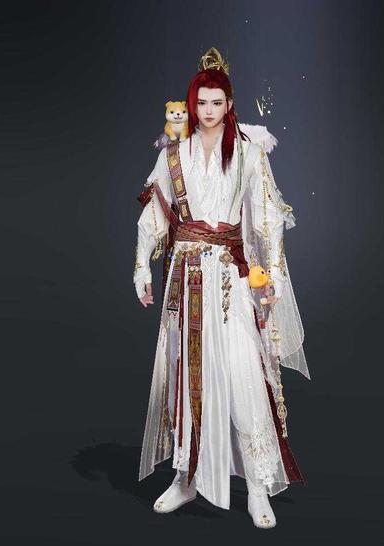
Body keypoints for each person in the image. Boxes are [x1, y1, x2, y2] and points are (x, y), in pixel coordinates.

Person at [132, 47, 310, 529]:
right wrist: (142, 268)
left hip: (230, 277)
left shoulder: (249, 153)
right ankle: (185, 476)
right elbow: (154, 215)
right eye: (201, 103)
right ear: (191, 105)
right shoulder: (174, 155)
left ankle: (257, 486)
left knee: (242, 373)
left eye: (216, 102)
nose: (208, 110)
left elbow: (267, 217)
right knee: (186, 374)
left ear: (229, 105)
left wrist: (270, 274)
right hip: (185, 277)